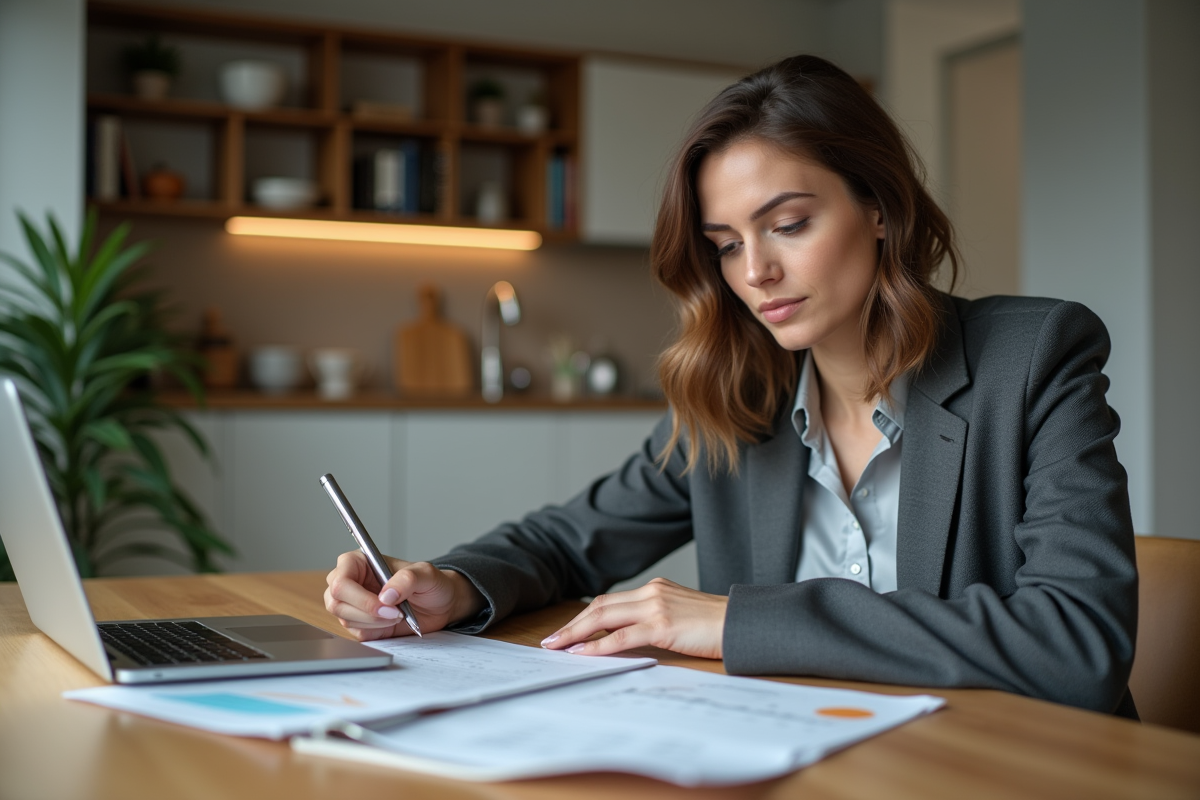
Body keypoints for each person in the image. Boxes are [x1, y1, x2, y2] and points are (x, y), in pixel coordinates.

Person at [324, 55, 1138, 718]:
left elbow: (1075, 643)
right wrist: (453, 587)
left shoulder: (1032, 357)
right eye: (724, 243)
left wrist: (737, 621)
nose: (756, 272)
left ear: (881, 207)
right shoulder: (737, 393)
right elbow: (567, 541)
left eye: (788, 225)